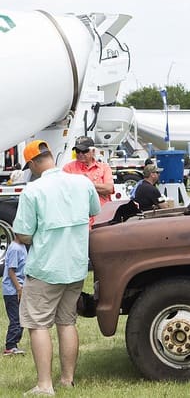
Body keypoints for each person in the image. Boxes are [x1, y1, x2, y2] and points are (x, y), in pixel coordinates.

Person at [12, 139, 101, 395]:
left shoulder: (32, 191)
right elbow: (94, 210)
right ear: (51, 156)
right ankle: (67, 379)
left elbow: (23, 233)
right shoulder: (82, 182)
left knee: (38, 324)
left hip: (45, 268)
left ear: (31, 164)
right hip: (75, 266)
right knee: (66, 321)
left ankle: (44, 385)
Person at [63, 136, 114, 206]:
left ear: (93, 151)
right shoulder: (68, 168)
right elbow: (65, 191)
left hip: (102, 213)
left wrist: (83, 185)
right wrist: (97, 187)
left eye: (84, 151)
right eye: (77, 151)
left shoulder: (104, 167)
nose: (80, 154)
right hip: (79, 213)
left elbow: (109, 189)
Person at [3, 234, 27, 356]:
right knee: (16, 319)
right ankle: (10, 346)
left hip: (20, 288)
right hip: (12, 291)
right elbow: (11, 271)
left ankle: (14, 344)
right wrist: (18, 288)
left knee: (21, 318)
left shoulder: (22, 246)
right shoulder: (15, 248)